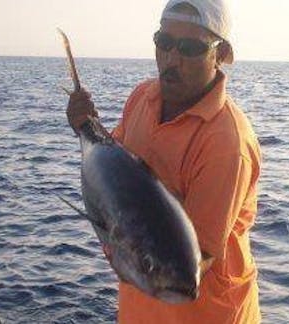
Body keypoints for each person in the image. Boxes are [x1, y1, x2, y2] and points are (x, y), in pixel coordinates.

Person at [66, 0, 261, 323]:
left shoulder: (227, 144)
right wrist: (85, 126)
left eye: (189, 48)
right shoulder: (143, 97)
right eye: (164, 42)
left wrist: (123, 241)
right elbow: (113, 168)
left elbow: (198, 262)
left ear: (221, 54)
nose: (172, 59)